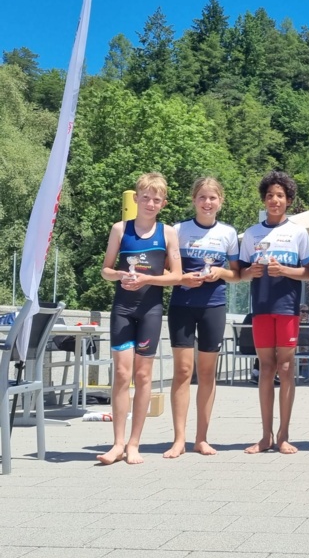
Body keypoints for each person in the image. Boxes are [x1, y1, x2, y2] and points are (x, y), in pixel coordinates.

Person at [97, 172, 182, 465]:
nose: (150, 203)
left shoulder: (168, 233)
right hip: (122, 309)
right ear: (136, 198)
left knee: (143, 376)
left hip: (150, 310)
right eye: (145, 197)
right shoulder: (120, 229)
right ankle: (117, 444)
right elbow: (106, 270)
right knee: (122, 374)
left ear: (163, 203)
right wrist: (120, 275)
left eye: (156, 199)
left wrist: (147, 279)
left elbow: (176, 276)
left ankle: (134, 443)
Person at [164, 178, 240, 459]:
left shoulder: (228, 233)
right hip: (182, 305)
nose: (207, 203)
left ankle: (201, 438)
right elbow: (164, 270)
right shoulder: (178, 230)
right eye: (202, 197)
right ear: (194, 200)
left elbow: (237, 274)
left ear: (221, 201)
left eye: (212, 198)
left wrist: (220, 273)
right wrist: (182, 278)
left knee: (207, 373)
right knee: (183, 372)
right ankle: (179, 439)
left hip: (213, 306)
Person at [239, 171, 309, 455]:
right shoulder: (252, 233)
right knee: (266, 368)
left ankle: (284, 435)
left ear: (289, 200)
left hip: (287, 308)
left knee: (285, 368)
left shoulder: (298, 233)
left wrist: (284, 270)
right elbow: (240, 273)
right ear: (264, 199)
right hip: (260, 309)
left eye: (280, 196)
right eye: (270, 195)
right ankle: (265, 436)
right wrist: (251, 271)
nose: (274, 200)